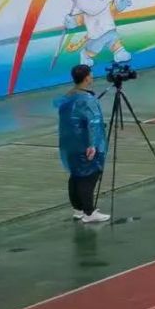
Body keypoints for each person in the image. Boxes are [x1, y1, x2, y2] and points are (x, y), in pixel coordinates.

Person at [56, 64, 109, 224]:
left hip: (70, 144)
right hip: (84, 144)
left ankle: (78, 209)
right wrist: (93, 145)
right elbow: (94, 122)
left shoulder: (68, 96)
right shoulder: (87, 100)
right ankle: (89, 212)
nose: (92, 77)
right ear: (86, 78)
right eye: (90, 75)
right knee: (89, 176)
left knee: (75, 176)